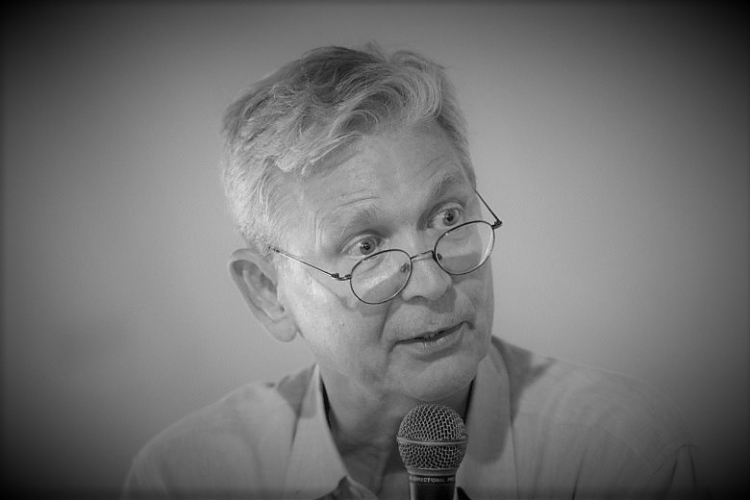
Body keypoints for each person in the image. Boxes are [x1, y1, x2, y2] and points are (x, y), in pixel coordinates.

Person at [122, 43, 707, 499]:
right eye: (366, 246)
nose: (433, 283)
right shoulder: (187, 477)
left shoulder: (621, 455)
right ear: (270, 294)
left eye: (447, 216)